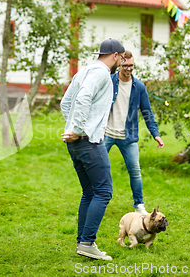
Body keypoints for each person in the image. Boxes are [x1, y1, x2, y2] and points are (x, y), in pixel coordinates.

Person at [60, 38, 125, 261]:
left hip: (75, 143)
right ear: (115, 55)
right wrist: (78, 129)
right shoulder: (101, 73)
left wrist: (71, 129)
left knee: (89, 192)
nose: (121, 63)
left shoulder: (83, 71)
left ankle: (83, 242)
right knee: (104, 191)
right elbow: (83, 97)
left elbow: (65, 103)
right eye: (121, 58)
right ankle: (87, 242)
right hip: (88, 141)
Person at [104, 50, 164, 215]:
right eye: (125, 65)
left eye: (131, 65)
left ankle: (139, 204)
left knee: (135, 170)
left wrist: (155, 134)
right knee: (98, 168)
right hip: (106, 133)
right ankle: (96, 199)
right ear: (119, 65)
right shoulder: (109, 81)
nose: (128, 69)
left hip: (128, 137)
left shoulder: (139, 87)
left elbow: (147, 113)